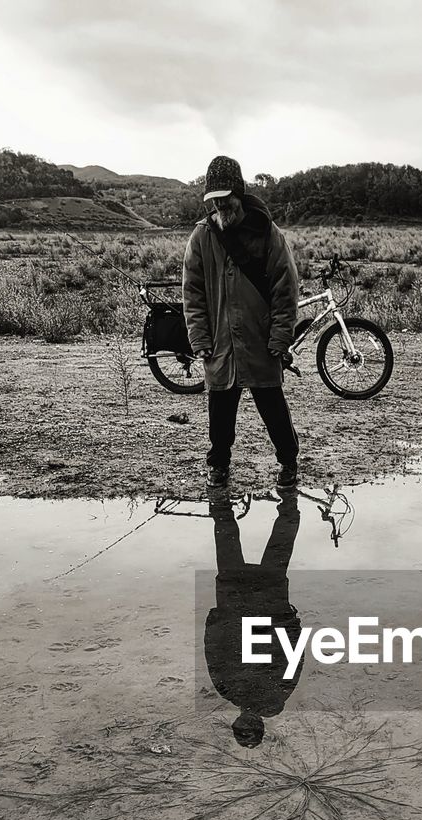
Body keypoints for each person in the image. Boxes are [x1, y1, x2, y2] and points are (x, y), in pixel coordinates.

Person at [182, 156, 300, 490]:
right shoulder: (201, 237)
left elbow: (285, 288)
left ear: (239, 193)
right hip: (219, 342)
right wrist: (199, 338)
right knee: (219, 414)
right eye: (213, 201)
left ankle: (289, 463)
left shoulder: (267, 233)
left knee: (273, 409)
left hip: (260, 340)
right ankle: (218, 466)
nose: (221, 205)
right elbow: (192, 293)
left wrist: (280, 337)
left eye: (225, 198)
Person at [204, 489, 303, 747]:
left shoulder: (234, 690)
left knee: (235, 540)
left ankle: (286, 502)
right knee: (269, 546)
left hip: (246, 603)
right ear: (258, 723)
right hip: (257, 603)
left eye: (242, 725)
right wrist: (291, 623)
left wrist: (215, 620)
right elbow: (294, 654)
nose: (245, 720)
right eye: (250, 725)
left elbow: (215, 652)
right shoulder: (243, 691)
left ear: (237, 722)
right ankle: (287, 501)